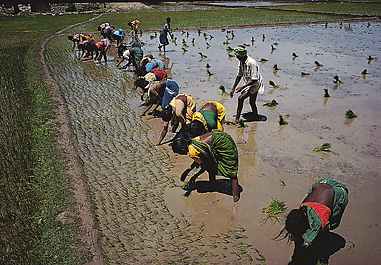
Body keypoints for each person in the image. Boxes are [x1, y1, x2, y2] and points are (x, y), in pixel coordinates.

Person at [277, 179, 349, 264]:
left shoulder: (321, 221)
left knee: (324, 234)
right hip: (320, 183)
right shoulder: (302, 210)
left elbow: (326, 229)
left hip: (339, 191)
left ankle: (323, 257)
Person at [171, 130, 240, 202]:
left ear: (182, 149)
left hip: (224, 143)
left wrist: (195, 175)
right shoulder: (192, 141)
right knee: (211, 166)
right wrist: (189, 169)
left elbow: (205, 165)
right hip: (220, 136)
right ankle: (212, 185)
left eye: (180, 152)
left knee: (231, 170)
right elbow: (201, 158)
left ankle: (236, 197)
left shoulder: (192, 152)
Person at [229, 46, 264, 124]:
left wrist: (242, 87)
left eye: (237, 56)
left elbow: (254, 79)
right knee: (252, 102)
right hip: (248, 82)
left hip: (254, 84)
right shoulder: (241, 62)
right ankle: (256, 115)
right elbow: (239, 76)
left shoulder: (252, 63)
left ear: (241, 55)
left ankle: (237, 120)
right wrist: (233, 88)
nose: (236, 57)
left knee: (240, 98)